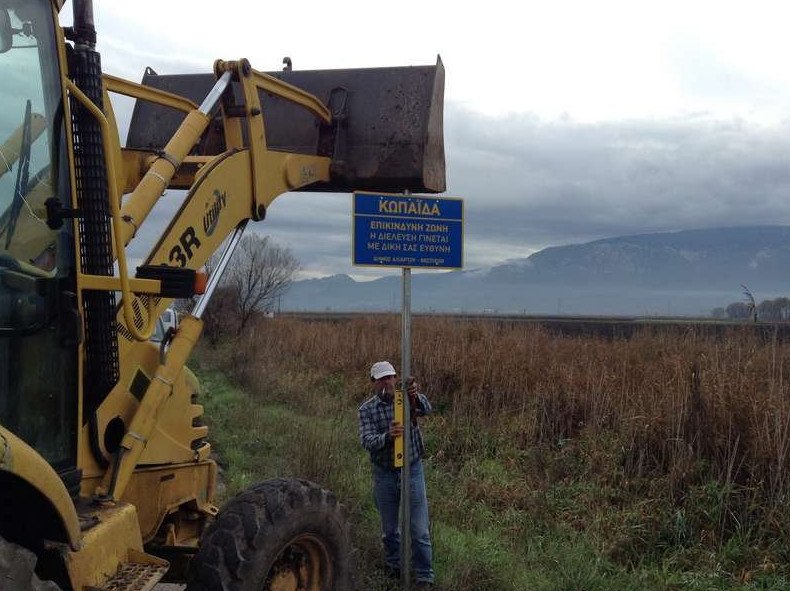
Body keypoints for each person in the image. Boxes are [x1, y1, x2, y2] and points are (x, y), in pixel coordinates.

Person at [358, 360, 434, 587]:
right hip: (385, 474)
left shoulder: (405, 399)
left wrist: (415, 396)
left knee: (419, 530)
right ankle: (394, 567)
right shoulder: (367, 410)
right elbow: (366, 441)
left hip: (412, 470)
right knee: (390, 529)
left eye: (390, 377)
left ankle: (424, 577)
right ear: (373, 383)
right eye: (382, 379)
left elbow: (427, 409)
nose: (387, 382)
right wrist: (387, 436)